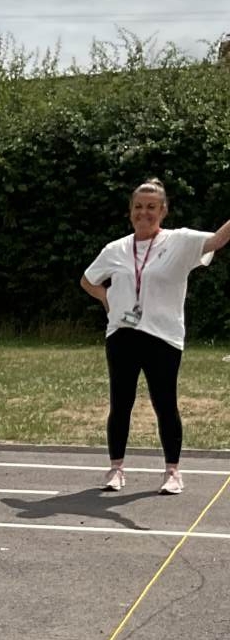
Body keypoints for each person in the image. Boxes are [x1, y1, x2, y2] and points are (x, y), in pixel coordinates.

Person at [80, 180, 230, 495]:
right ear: (130, 211)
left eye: (151, 207)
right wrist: (107, 299)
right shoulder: (115, 249)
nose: (144, 213)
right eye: (138, 207)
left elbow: (218, 239)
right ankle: (116, 469)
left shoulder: (180, 241)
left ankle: (172, 471)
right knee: (120, 403)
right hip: (122, 334)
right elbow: (88, 280)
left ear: (163, 210)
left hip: (163, 336)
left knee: (165, 404)